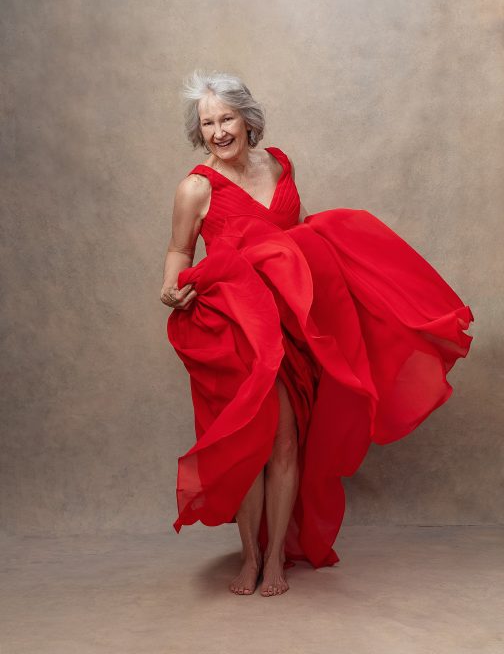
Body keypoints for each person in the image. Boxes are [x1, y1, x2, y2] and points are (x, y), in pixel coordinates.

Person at [160, 69, 474, 598]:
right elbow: (179, 251)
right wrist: (169, 287)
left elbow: (302, 231)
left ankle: (277, 555)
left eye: (227, 118)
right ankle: (252, 556)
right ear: (200, 130)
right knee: (252, 441)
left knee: (288, 442)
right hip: (240, 327)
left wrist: (348, 285)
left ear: (247, 119)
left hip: (298, 323)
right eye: (207, 122)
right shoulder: (196, 187)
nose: (218, 131)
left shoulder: (280, 163)